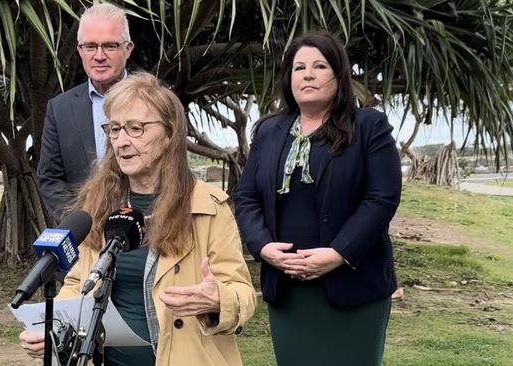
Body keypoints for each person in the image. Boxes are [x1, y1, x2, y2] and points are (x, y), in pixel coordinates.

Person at [21, 72, 257, 366]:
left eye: (136, 128)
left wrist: (218, 299)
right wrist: (54, 329)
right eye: (115, 129)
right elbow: (77, 283)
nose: (121, 141)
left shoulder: (208, 207)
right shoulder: (96, 205)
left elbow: (243, 293)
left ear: (169, 134)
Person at [233, 31, 402, 365]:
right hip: (288, 292)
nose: (307, 74)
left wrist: (339, 253)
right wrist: (263, 248)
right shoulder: (268, 131)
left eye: (319, 66)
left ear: (338, 75)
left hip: (354, 288)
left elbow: (382, 198)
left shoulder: (368, 125)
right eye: (299, 68)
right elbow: (247, 196)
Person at [38, 3, 134, 223]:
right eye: (90, 46)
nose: (99, 56)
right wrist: (82, 223)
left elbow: (172, 169)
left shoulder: (155, 100)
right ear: (80, 50)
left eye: (109, 46)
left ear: (127, 48)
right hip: (86, 240)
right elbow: (50, 178)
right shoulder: (59, 109)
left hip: (149, 231)